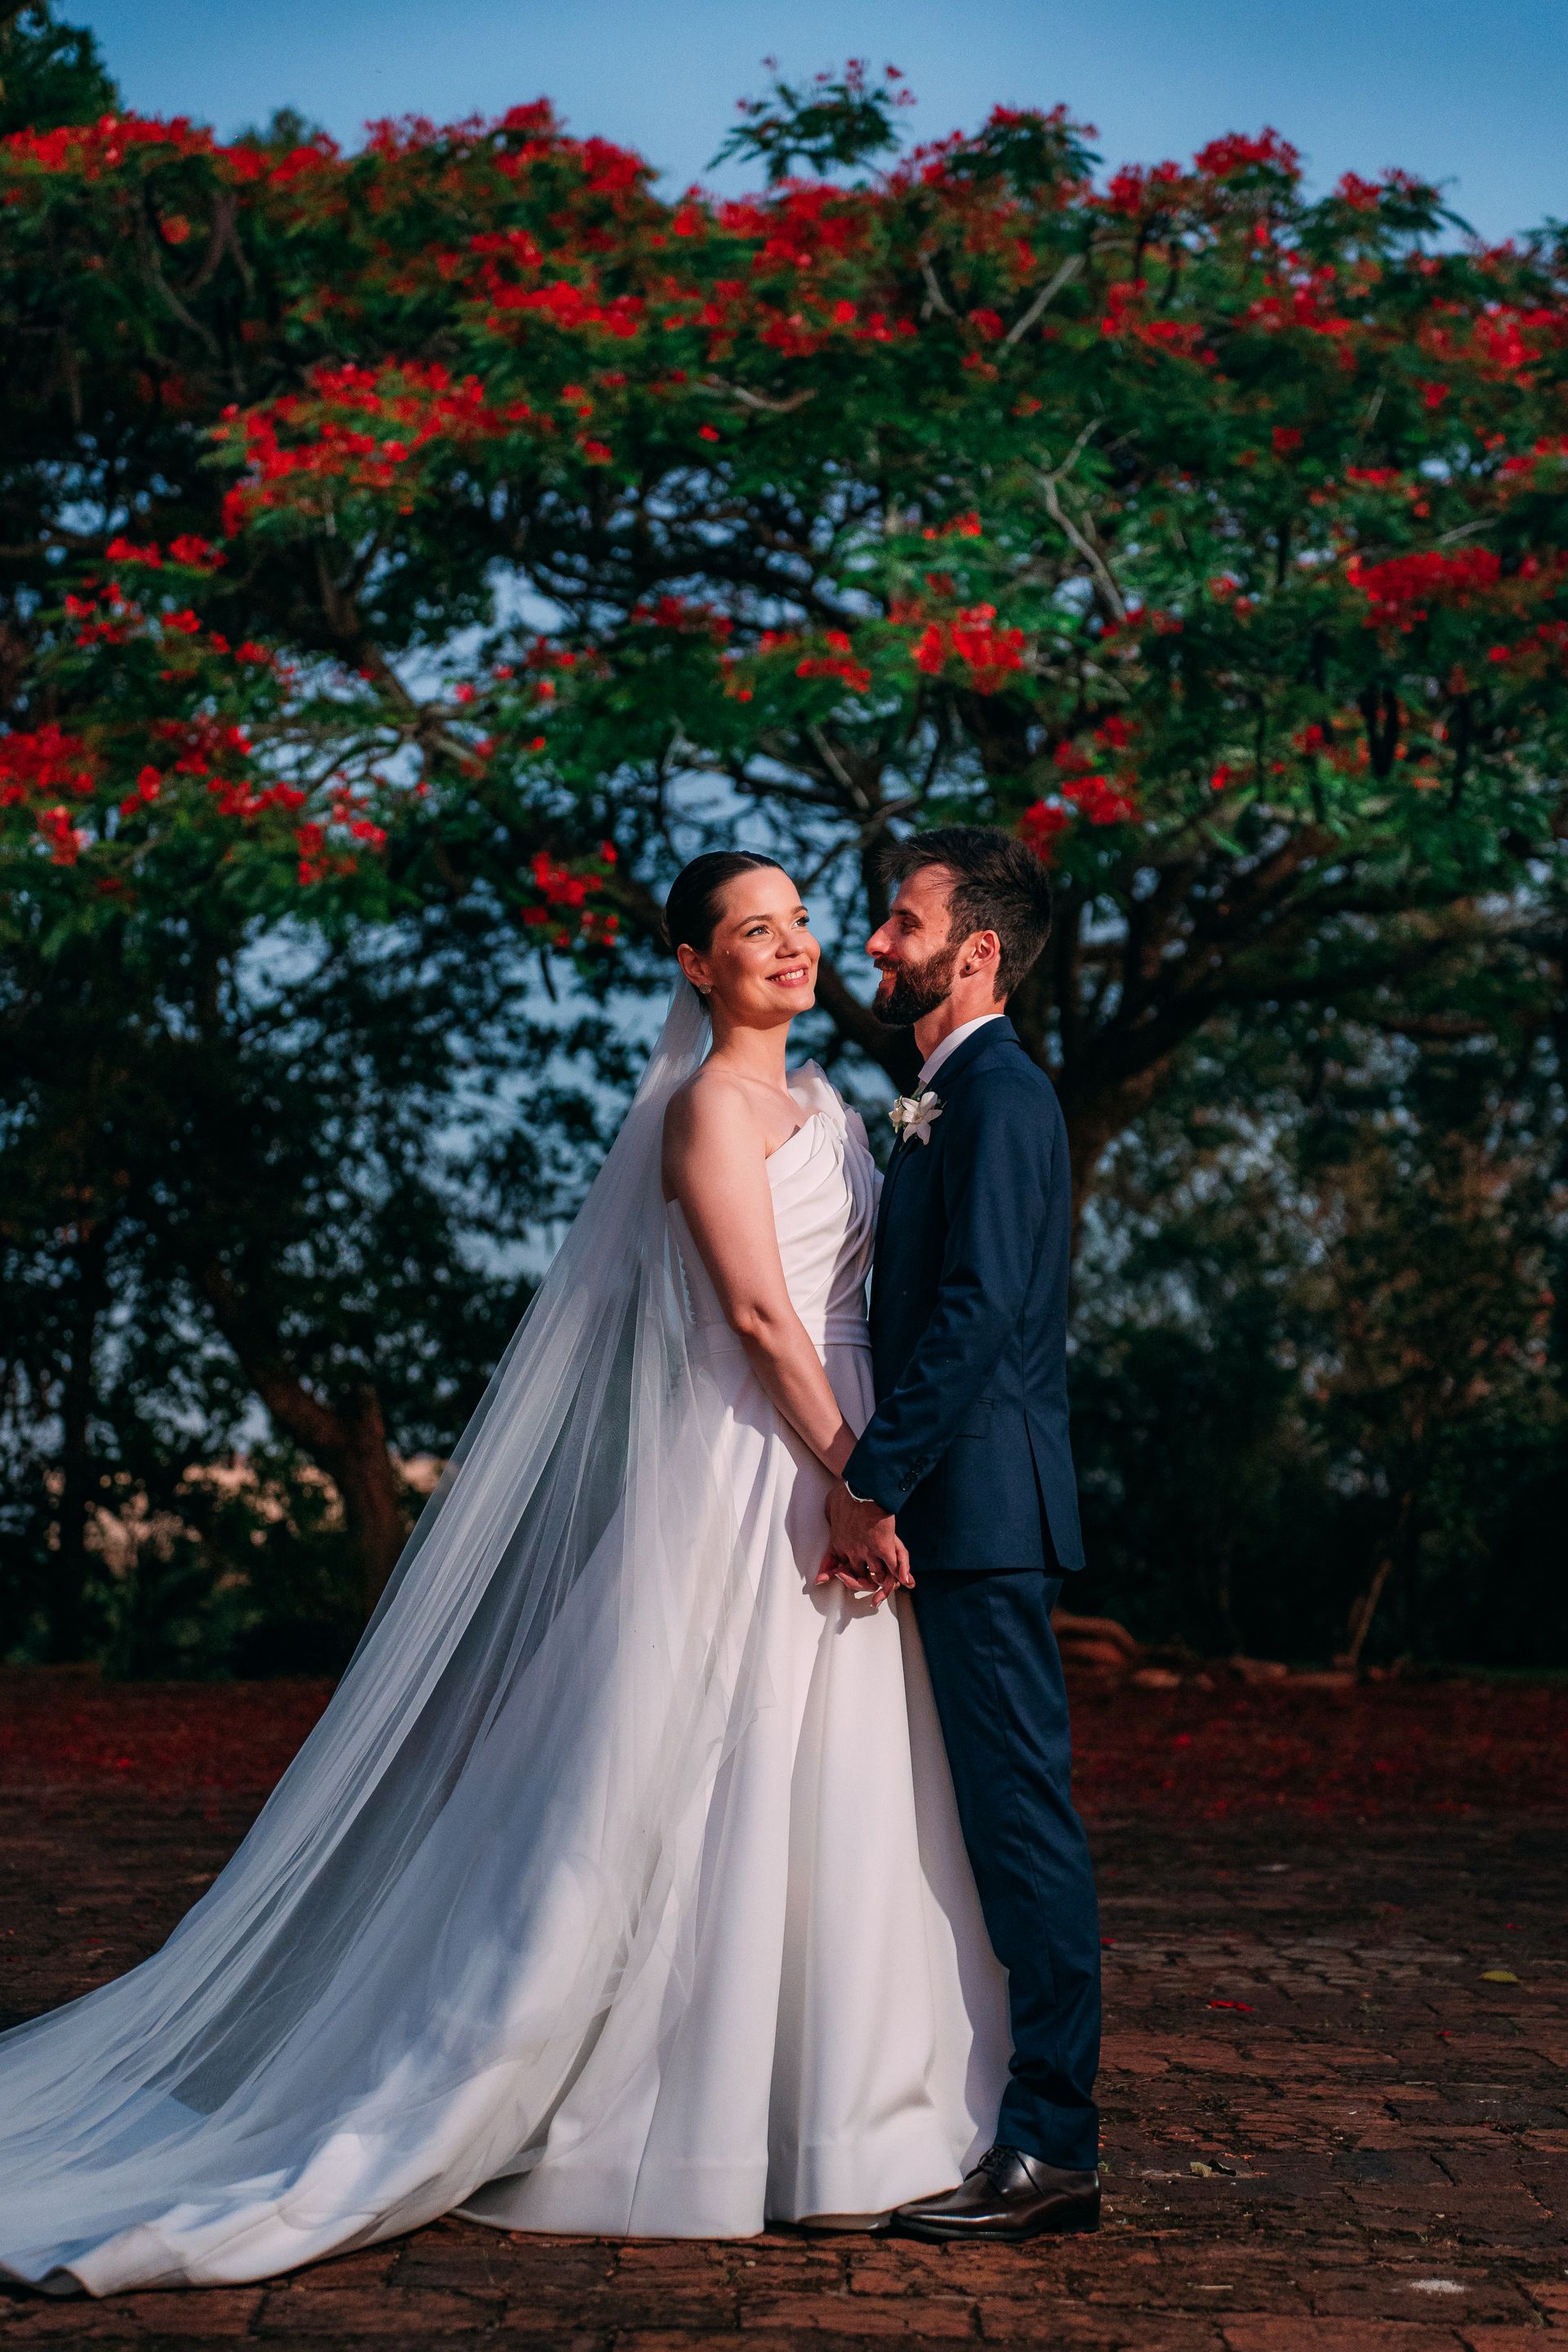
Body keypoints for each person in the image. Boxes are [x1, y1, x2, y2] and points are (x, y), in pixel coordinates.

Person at [0, 851, 1008, 2294]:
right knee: (685, 1775)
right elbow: (754, 1317)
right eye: (753, 931)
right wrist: (858, 1482)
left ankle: (841, 2123)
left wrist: (872, 1478)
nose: (792, 947)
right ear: (696, 966)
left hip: (845, 1466)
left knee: (835, 1771)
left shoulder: (837, 1106)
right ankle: (664, 2113)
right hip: (758, 1462)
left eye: (798, 922)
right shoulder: (706, 1111)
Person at [825, 826, 1102, 2245]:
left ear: (977, 951)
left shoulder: (999, 1095)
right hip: (960, 1508)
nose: (875, 942)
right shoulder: (947, 1093)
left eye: (903, 921)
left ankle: (1052, 2145)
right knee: (975, 1817)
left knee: (1019, 1822)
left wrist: (871, 1481)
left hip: (983, 1514)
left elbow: (981, 1309)